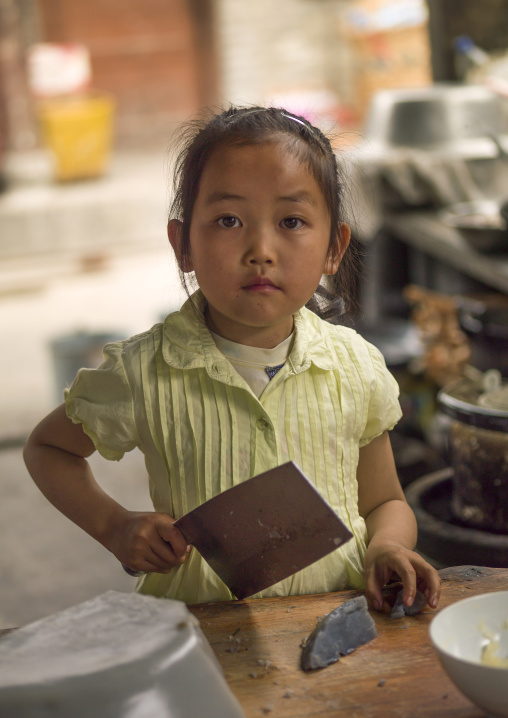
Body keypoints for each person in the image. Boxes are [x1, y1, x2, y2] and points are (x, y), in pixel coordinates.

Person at [24, 106, 441, 611]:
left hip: (338, 627)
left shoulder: (355, 367)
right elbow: (48, 450)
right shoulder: (143, 372)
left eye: (291, 221)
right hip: (201, 637)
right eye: (228, 220)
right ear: (184, 246)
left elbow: (384, 502)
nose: (260, 249)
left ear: (334, 247)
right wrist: (113, 525)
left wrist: (388, 546)